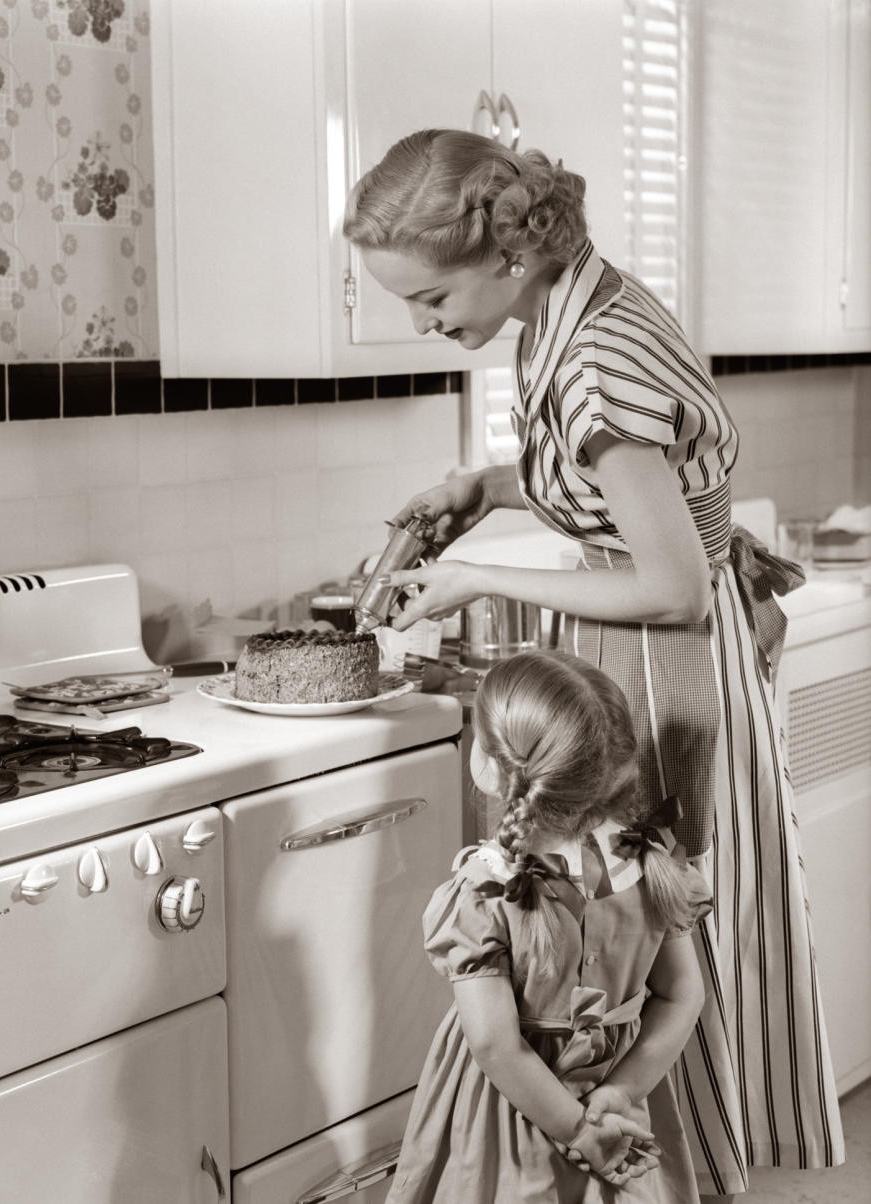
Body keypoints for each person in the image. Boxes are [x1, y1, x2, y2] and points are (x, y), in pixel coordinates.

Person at [344, 129, 845, 1200]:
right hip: (655, 645)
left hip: (666, 661)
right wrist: (488, 483)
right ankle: (618, 1157)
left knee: (629, 925)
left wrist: (483, 578)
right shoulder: (572, 305)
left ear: (505, 257)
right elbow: (621, 489)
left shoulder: (593, 357)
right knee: (615, 925)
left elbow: (663, 580)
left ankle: (631, 1160)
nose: (423, 323)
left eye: (429, 297)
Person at [387, 649, 711, 1203]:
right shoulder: (655, 862)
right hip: (620, 1098)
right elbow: (683, 997)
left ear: (493, 768)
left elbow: (495, 1045)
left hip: (513, 1112)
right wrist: (620, 1095)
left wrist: (579, 1130)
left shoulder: (485, 890)